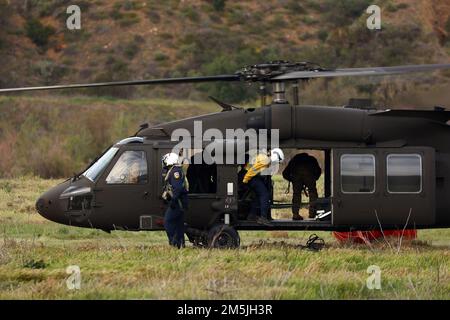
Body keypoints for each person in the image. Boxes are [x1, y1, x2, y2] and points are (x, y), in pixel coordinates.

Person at [242, 148, 285, 225]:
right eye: (277, 161)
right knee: (265, 195)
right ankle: (263, 218)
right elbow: (252, 170)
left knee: (257, 196)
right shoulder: (265, 160)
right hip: (249, 177)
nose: (276, 163)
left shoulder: (265, 158)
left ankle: (252, 215)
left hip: (250, 176)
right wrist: (245, 180)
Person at [282, 153, 322, 220]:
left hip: (296, 177)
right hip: (309, 176)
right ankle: (312, 214)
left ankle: (295, 214)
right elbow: (319, 171)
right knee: (313, 193)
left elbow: (285, 173)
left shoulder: (294, 160)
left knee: (296, 195)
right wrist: (314, 178)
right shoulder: (312, 159)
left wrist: (292, 179)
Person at [161, 152, 188, 248]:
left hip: (178, 203)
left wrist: (173, 201)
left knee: (168, 222)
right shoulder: (176, 170)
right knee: (179, 224)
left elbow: (177, 188)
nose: (164, 163)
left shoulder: (175, 172)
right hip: (181, 202)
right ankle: (181, 244)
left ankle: (175, 243)